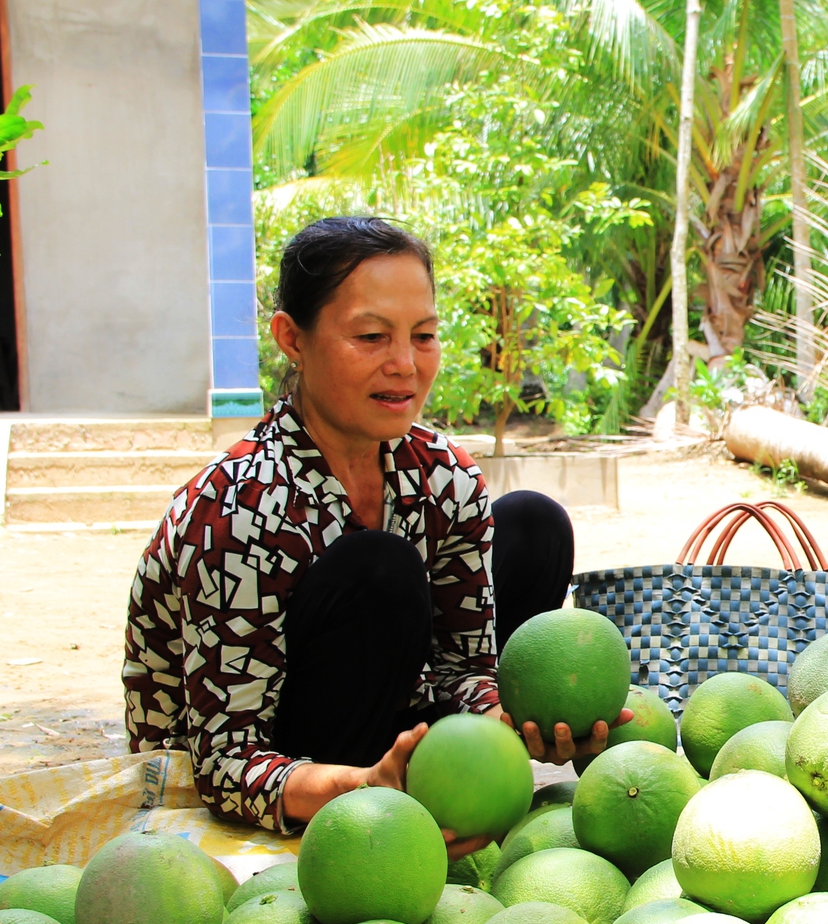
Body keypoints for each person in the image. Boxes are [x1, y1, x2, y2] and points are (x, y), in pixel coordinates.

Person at [123, 216, 622, 853]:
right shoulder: (235, 508)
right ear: (291, 339)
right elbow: (221, 764)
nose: (405, 365)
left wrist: (507, 718)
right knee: (378, 569)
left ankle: (438, 781)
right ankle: (378, 800)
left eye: (424, 336)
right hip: (274, 766)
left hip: (392, 713)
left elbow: (462, 668)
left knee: (532, 524)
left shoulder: (443, 476)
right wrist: (361, 787)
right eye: (370, 336)